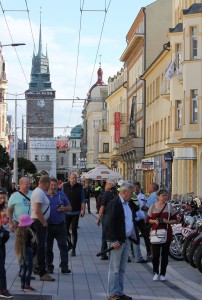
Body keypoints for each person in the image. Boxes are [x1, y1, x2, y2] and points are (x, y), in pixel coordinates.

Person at [104, 182, 136, 300]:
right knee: (114, 269)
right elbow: (108, 223)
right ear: (124, 192)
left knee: (121, 268)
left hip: (126, 239)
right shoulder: (115, 204)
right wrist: (113, 240)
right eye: (131, 193)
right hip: (117, 241)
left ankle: (119, 292)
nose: (132, 195)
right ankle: (112, 293)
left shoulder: (128, 204)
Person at [146, 188, 177, 281]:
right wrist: (154, 221)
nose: (165, 197)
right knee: (155, 255)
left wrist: (167, 221)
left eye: (166, 195)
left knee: (164, 255)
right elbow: (147, 219)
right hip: (155, 233)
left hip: (167, 233)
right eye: (162, 195)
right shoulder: (153, 206)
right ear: (158, 196)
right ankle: (155, 272)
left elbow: (175, 219)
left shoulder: (169, 207)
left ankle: (163, 274)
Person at [30, 175, 55, 281]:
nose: (50, 187)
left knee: (36, 248)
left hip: (38, 223)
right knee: (41, 248)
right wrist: (44, 222)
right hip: (39, 223)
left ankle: (27, 268)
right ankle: (42, 272)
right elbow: (37, 210)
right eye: (49, 184)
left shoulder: (38, 192)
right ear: (46, 183)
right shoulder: (39, 193)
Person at [46, 178, 72, 274]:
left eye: (55, 185)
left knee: (63, 246)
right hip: (47, 226)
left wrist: (64, 208)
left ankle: (64, 266)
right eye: (51, 185)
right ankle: (49, 266)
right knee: (48, 248)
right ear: (48, 185)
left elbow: (70, 207)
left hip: (60, 225)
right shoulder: (44, 195)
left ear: (58, 185)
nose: (53, 187)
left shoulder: (61, 195)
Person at [63, 172, 85, 257]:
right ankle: (69, 243)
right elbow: (62, 197)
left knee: (74, 231)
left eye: (76, 178)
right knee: (65, 230)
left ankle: (74, 249)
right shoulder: (65, 186)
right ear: (69, 178)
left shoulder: (80, 186)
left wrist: (83, 210)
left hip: (76, 212)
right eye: (73, 178)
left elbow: (82, 199)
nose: (74, 180)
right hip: (66, 212)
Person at [97, 179, 118, 260]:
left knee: (104, 236)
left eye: (106, 184)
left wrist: (99, 217)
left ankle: (103, 254)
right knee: (114, 235)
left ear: (110, 185)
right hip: (115, 217)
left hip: (107, 217)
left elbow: (102, 206)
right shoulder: (116, 193)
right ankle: (114, 253)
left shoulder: (106, 193)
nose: (105, 186)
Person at [15, 214, 36, 292]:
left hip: (21, 250)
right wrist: (32, 231)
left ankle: (22, 285)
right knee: (29, 268)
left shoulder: (19, 231)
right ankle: (27, 285)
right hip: (28, 250)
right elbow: (33, 240)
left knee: (23, 267)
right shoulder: (28, 231)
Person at [0, 188, 13, 299]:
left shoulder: (3, 209)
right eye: (0, 198)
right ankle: (2, 289)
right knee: (1, 267)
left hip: (1, 241)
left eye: (4, 198)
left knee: (2, 263)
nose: (2, 200)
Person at [132, 181, 150, 262]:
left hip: (142, 218)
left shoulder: (142, 196)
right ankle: (133, 253)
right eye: (135, 188)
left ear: (139, 188)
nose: (136, 189)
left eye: (137, 188)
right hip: (134, 219)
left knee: (146, 235)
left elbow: (145, 206)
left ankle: (148, 252)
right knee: (133, 236)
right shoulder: (131, 196)